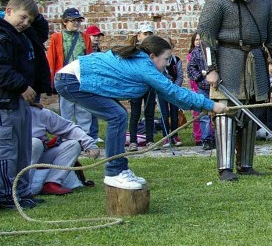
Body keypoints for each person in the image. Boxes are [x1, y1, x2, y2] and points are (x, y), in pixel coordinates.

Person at [54, 35, 226, 190]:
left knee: (118, 114)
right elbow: (173, 91)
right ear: (152, 56)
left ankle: (120, 168)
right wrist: (211, 105)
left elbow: (171, 94)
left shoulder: (143, 62)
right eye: (166, 59)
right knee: (118, 116)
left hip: (72, 78)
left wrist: (204, 107)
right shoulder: (144, 66)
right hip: (71, 81)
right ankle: (114, 172)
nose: (167, 64)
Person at [198, 0, 272, 181]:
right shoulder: (217, 0)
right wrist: (211, 69)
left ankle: (245, 164)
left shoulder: (263, 0)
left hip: (255, 59)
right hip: (227, 59)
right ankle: (225, 167)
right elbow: (205, 37)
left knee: (249, 113)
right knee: (226, 112)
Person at [0, 0, 40, 209]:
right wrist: (22, 87)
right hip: (5, 102)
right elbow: (2, 69)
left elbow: (41, 31)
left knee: (24, 149)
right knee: (7, 150)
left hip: (20, 102)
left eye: (29, 21)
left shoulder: (22, 36)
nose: (25, 23)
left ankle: (23, 192)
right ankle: (6, 194)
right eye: (23, 17)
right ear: (8, 11)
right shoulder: (2, 35)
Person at [29, 104, 100, 196]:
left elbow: (68, 128)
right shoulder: (5, 112)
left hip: (38, 157)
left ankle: (52, 183)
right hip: (13, 162)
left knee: (73, 145)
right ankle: (23, 188)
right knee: (34, 143)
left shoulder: (39, 112)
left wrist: (89, 144)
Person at [47, 7, 95, 142]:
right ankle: (66, 138)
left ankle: (84, 138)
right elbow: (52, 59)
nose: (76, 23)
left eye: (78, 21)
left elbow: (89, 57)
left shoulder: (85, 38)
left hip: (81, 77)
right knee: (66, 110)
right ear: (64, 22)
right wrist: (52, 81)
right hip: (64, 77)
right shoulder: (57, 37)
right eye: (73, 21)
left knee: (84, 110)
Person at [127, 23, 157, 151]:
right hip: (136, 85)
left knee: (149, 113)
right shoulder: (133, 51)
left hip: (150, 85)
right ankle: (133, 141)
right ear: (139, 36)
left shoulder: (155, 50)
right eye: (145, 34)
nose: (148, 36)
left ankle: (150, 140)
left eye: (150, 34)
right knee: (135, 113)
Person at [187, 31, 214, 149]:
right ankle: (206, 139)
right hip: (203, 86)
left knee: (218, 113)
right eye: (196, 39)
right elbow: (191, 68)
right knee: (204, 115)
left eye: (200, 39)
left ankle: (217, 138)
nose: (198, 41)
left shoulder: (214, 50)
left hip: (216, 86)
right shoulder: (195, 53)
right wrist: (200, 77)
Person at [156, 36, 184, 147]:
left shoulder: (176, 60)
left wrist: (174, 88)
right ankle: (166, 136)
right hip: (162, 90)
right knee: (164, 113)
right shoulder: (158, 61)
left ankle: (174, 135)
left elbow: (180, 76)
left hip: (174, 90)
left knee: (174, 114)